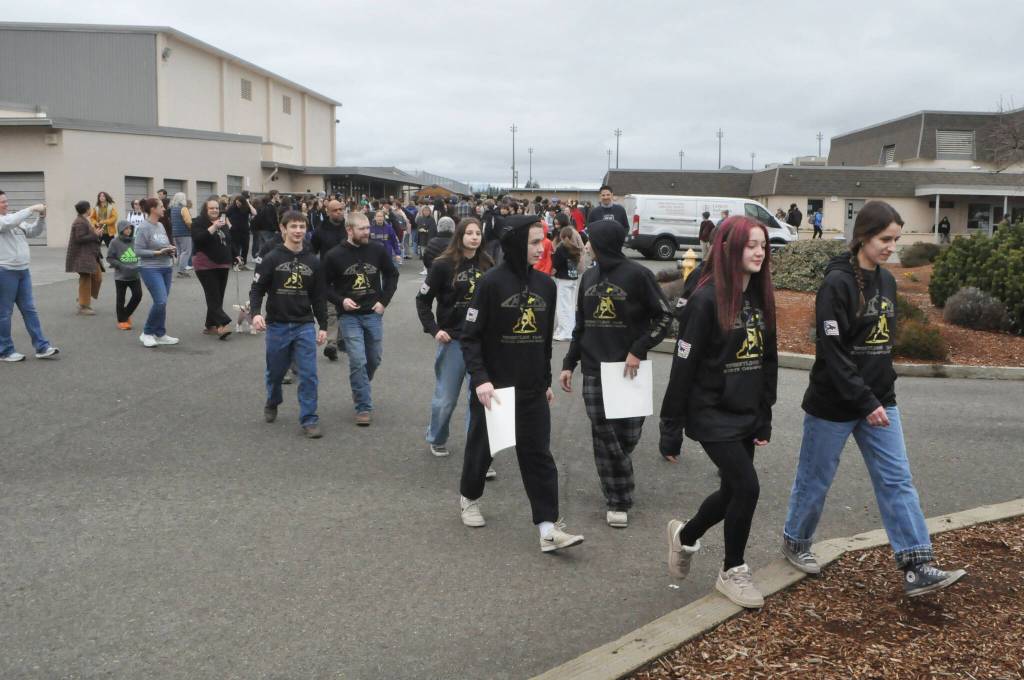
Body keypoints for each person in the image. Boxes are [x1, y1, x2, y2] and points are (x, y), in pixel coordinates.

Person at [781, 200, 967, 598]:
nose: (891, 247)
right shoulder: (836, 285)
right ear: (863, 236)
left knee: (897, 480)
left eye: (896, 240)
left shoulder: (886, 281)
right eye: (885, 239)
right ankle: (796, 541)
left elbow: (881, 346)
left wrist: (881, 393)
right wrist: (865, 401)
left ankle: (917, 564)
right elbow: (832, 353)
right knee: (815, 481)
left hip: (881, 402)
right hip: (834, 404)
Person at [660, 215, 778, 609]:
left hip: (745, 411)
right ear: (728, 249)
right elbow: (683, 366)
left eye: (763, 244)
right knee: (747, 487)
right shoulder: (705, 301)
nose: (760, 252)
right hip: (710, 413)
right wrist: (671, 427)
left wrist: (765, 414)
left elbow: (767, 360)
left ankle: (687, 535)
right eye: (751, 245)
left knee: (732, 490)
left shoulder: (759, 298)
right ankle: (733, 570)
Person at [458, 215, 585, 553]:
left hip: (531, 389)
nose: (541, 247)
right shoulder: (490, 283)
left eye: (542, 240)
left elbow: (544, 342)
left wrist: (544, 381)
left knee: (538, 455)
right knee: (483, 450)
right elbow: (469, 338)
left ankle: (548, 528)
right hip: (495, 390)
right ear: (514, 243)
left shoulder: (546, 285)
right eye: (533, 241)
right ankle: (469, 497)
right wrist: (481, 380)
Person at [559, 219, 673, 527]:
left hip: (628, 370)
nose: (585, 245)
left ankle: (618, 474)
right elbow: (580, 325)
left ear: (601, 243)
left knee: (627, 436)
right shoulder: (589, 277)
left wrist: (638, 349)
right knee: (603, 434)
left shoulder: (638, 275)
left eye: (589, 241)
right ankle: (618, 498)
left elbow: (664, 317)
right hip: (595, 370)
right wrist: (569, 363)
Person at [416, 217, 493, 458]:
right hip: (454, 342)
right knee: (446, 399)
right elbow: (423, 300)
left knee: (480, 399)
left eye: (477, 233)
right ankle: (437, 437)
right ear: (459, 236)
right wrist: (434, 329)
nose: (474, 237)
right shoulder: (442, 265)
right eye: (469, 232)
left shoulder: (488, 264)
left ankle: (477, 452)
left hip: (482, 343)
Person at [250, 210, 329, 439]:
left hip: (303, 324)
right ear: (283, 229)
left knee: (309, 374)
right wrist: (256, 313)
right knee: (275, 373)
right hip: (277, 325)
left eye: (301, 227)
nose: (298, 231)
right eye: (293, 226)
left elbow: (318, 296)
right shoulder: (272, 258)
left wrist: (322, 326)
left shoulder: (313, 261)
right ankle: (273, 400)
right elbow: (257, 289)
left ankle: (309, 419)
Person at [322, 211, 399, 426]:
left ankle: (360, 385)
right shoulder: (334, 255)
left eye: (368, 228)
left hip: (373, 314)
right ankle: (363, 407)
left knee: (374, 359)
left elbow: (392, 274)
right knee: (357, 359)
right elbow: (323, 286)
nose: (368, 232)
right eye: (362, 229)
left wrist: (383, 301)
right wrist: (340, 301)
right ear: (349, 230)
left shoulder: (377, 250)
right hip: (349, 317)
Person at [0, 193, 59, 362]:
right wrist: (32, 208)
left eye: (6, 201)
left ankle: (42, 346)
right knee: (4, 313)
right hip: (5, 271)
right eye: (2, 202)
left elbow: (34, 231)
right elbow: (7, 224)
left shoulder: (14, 218)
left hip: (23, 271)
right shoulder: (6, 220)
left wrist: (41, 217)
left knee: (29, 310)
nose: (6, 204)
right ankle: (5, 351)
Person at [134, 197, 179, 348]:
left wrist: (170, 249)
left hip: (166, 267)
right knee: (160, 301)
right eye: (161, 206)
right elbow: (138, 251)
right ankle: (146, 333)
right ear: (153, 209)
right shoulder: (143, 227)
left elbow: (163, 244)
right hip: (150, 268)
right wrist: (158, 252)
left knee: (163, 302)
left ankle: (160, 333)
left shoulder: (160, 225)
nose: (164, 209)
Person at [191, 197, 238, 339]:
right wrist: (213, 227)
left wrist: (236, 255)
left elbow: (228, 241)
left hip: (223, 263)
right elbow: (198, 239)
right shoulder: (198, 222)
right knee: (213, 295)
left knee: (218, 296)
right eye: (211, 208)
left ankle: (209, 325)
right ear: (205, 210)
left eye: (217, 208)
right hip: (205, 264)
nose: (215, 210)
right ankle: (222, 325)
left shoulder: (222, 223)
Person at [311, 200, 348, 361]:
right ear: (328, 212)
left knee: (345, 307)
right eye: (335, 210)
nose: (339, 212)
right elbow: (312, 252)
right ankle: (331, 343)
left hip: (348, 275)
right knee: (331, 310)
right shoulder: (320, 231)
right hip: (328, 275)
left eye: (341, 209)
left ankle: (341, 339)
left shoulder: (349, 228)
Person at [65, 200, 105, 315]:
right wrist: (95, 234)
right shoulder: (79, 222)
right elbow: (79, 238)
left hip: (90, 255)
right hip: (82, 256)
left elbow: (87, 236)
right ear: (87, 209)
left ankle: (83, 297)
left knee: (97, 277)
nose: (91, 209)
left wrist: (96, 233)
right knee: (86, 279)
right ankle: (84, 305)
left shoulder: (83, 220)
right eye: (90, 208)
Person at [105, 220, 142, 330]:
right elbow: (109, 258)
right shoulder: (114, 242)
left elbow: (140, 253)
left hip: (135, 274)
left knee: (138, 295)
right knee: (120, 299)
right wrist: (121, 266)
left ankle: (125, 314)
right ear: (121, 229)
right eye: (126, 228)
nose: (129, 230)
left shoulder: (135, 241)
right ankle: (122, 321)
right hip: (121, 276)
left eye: (130, 228)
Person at [551, 224, 582, 341]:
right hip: (573, 279)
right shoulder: (575, 248)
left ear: (561, 236)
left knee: (562, 307)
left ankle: (565, 332)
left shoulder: (561, 249)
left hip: (563, 279)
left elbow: (555, 266)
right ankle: (570, 329)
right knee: (570, 306)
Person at [226, 193, 256, 270]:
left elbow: (254, 213)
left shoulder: (246, 207)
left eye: (239, 203)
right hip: (234, 230)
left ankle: (243, 264)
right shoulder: (232, 208)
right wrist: (229, 225)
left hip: (245, 230)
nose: (238, 204)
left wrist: (248, 203)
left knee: (245, 247)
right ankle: (235, 264)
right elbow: (225, 216)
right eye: (236, 203)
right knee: (235, 249)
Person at [169, 192, 193, 277]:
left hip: (175, 233)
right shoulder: (184, 208)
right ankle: (181, 271)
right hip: (184, 233)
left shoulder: (173, 208)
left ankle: (179, 270)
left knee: (179, 252)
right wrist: (192, 229)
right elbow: (188, 221)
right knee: (186, 252)